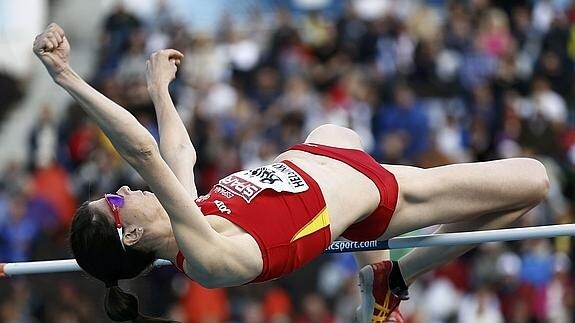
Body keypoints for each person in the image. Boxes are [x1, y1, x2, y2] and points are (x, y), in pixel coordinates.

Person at [33, 23, 550, 323]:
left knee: (520, 188)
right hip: (380, 196)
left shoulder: (189, 215)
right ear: (132, 233)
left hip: (326, 150)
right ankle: (395, 275)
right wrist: (66, 77)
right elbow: (145, 154)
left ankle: (387, 276)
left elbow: (178, 155)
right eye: (116, 200)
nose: (123, 188)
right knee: (533, 182)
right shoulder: (207, 257)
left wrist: (161, 93)